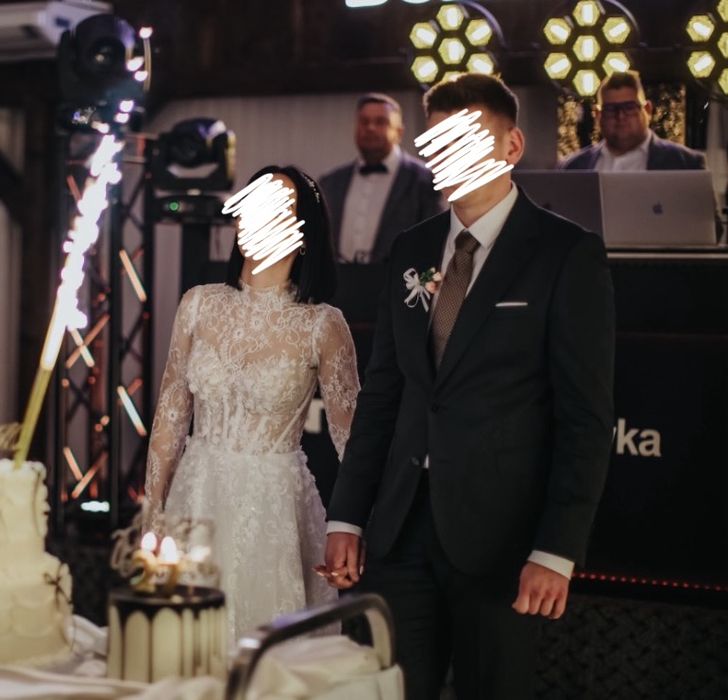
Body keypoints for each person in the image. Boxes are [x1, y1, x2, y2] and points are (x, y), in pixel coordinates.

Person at [323, 74, 615, 699]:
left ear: (512, 146)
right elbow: (383, 394)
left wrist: (556, 549)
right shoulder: (410, 248)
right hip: (399, 530)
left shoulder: (565, 253)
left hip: (503, 538)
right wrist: (347, 513)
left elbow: (585, 419)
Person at [144, 165, 360, 642]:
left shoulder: (322, 324)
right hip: (196, 497)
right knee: (182, 649)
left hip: (273, 508)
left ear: (304, 234)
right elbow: (170, 418)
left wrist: (355, 529)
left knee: (266, 655)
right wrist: (153, 514)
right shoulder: (198, 303)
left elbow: (352, 443)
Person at [319, 92, 445, 263]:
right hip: (338, 279)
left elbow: (434, 242)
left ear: (399, 132)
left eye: (380, 122)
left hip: (401, 278)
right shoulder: (330, 182)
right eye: (364, 121)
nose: (370, 128)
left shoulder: (426, 181)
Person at [559, 70, 706, 170]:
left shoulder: (686, 163)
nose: (620, 116)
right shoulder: (574, 168)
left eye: (629, 107)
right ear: (598, 115)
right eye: (611, 109)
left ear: (647, 110)